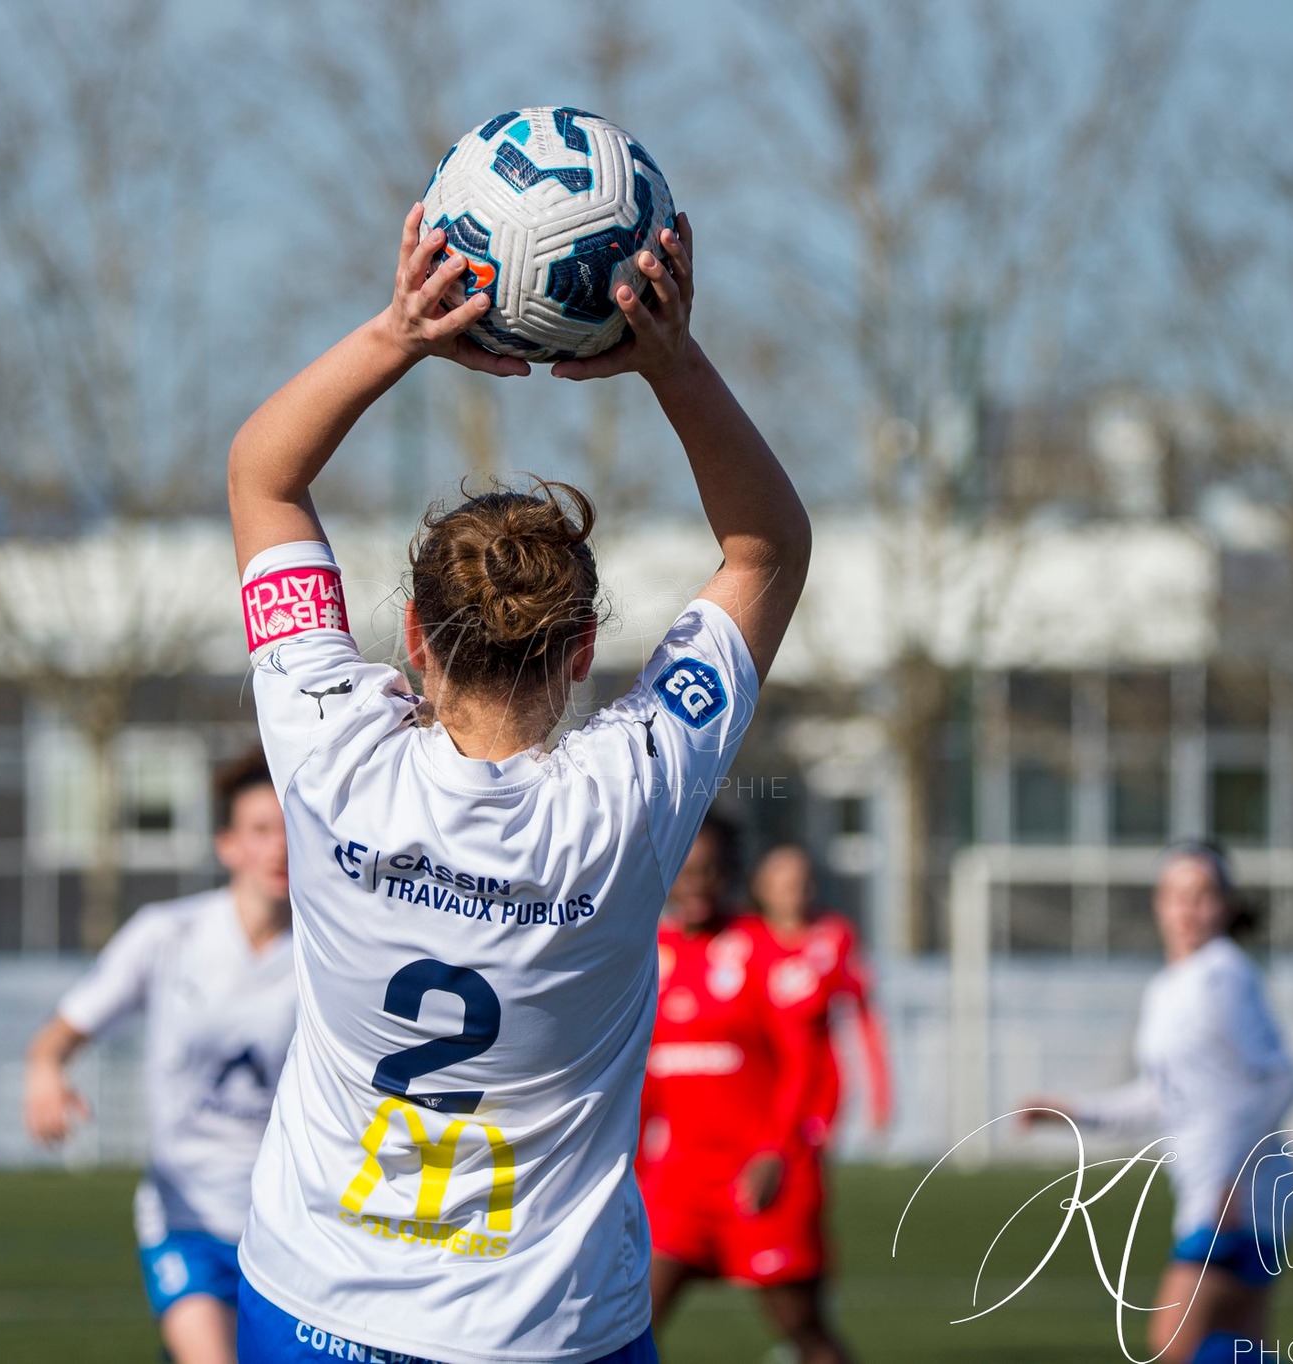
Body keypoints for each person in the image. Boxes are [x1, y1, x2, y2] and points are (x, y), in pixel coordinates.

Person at [225, 202, 809, 1363]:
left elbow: (264, 478)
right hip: (550, 1330)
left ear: (411, 634)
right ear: (585, 648)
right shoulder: (629, 793)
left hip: (312, 1308)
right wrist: (670, 360)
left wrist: (400, 330)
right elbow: (765, 550)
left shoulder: (327, 745)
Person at [21, 749, 294, 1364]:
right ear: (227, 845)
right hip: (185, 1215)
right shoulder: (166, 934)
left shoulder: (327, 949)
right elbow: (63, 1031)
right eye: (259, 831)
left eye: (288, 828)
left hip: (289, 1225)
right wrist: (45, 1071)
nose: (278, 847)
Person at [1019, 840, 1293, 1364]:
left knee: (1173, 1344)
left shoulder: (1224, 976)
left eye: (1202, 895)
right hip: (1223, 1190)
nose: (1187, 909)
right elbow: (1163, 1095)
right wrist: (1074, 1111)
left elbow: (1280, 1081)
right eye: (1175, 895)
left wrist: (1231, 1180)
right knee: (1236, 1347)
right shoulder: (1170, 987)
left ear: (1227, 905)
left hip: (1239, 1196)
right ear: (1157, 904)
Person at [639, 821, 856, 1364]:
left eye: (709, 871)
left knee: (806, 1333)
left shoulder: (765, 953)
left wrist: (779, 1152)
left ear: (732, 875)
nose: (696, 884)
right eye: (685, 871)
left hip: (758, 1181)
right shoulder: (646, 956)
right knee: (627, 1327)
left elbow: (806, 1066)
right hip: (678, 1186)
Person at [749, 843, 892, 1149]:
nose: (795, 894)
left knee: (800, 1176)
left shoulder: (833, 937)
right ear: (762, 888)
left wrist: (879, 1094)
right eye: (785, 886)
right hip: (756, 1083)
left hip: (816, 1087)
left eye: (802, 884)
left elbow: (864, 1018)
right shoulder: (742, 942)